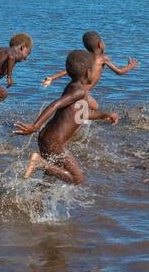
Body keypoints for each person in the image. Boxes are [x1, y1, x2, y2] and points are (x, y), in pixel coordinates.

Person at [13, 49, 117, 184]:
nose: (98, 73)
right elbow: (54, 105)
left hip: (49, 139)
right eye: (96, 70)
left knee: (51, 176)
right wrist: (35, 126)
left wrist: (105, 115)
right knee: (77, 179)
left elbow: (83, 114)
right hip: (54, 142)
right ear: (88, 72)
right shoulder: (78, 90)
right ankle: (38, 163)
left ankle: (36, 201)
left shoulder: (77, 88)